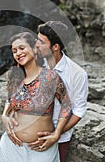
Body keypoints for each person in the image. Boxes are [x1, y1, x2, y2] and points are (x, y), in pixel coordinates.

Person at [0, 32, 72, 162]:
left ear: (34, 49)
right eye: (14, 51)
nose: (18, 53)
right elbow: (9, 99)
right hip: (11, 146)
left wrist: (56, 134)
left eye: (22, 48)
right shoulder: (15, 77)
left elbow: (67, 105)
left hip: (41, 148)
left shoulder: (50, 77)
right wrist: (4, 115)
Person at [30, 21, 89, 161]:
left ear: (55, 47)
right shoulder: (33, 63)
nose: (36, 44)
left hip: (59, 138)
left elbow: (79, 110)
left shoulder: (78, 74)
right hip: (30, 132)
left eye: (41, 42)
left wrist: (57, 133)